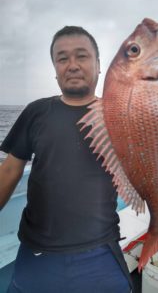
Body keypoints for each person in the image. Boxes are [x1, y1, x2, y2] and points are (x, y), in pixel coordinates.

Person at [0, 26, 133, 293]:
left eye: (81, 56)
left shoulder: (121, 117)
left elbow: (146, 168)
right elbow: (10, 171)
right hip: (38, 250)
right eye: (62, 58)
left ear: (98, 66)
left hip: (101, 247)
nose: (72, 65)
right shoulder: (37, 111)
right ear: (55, 69)